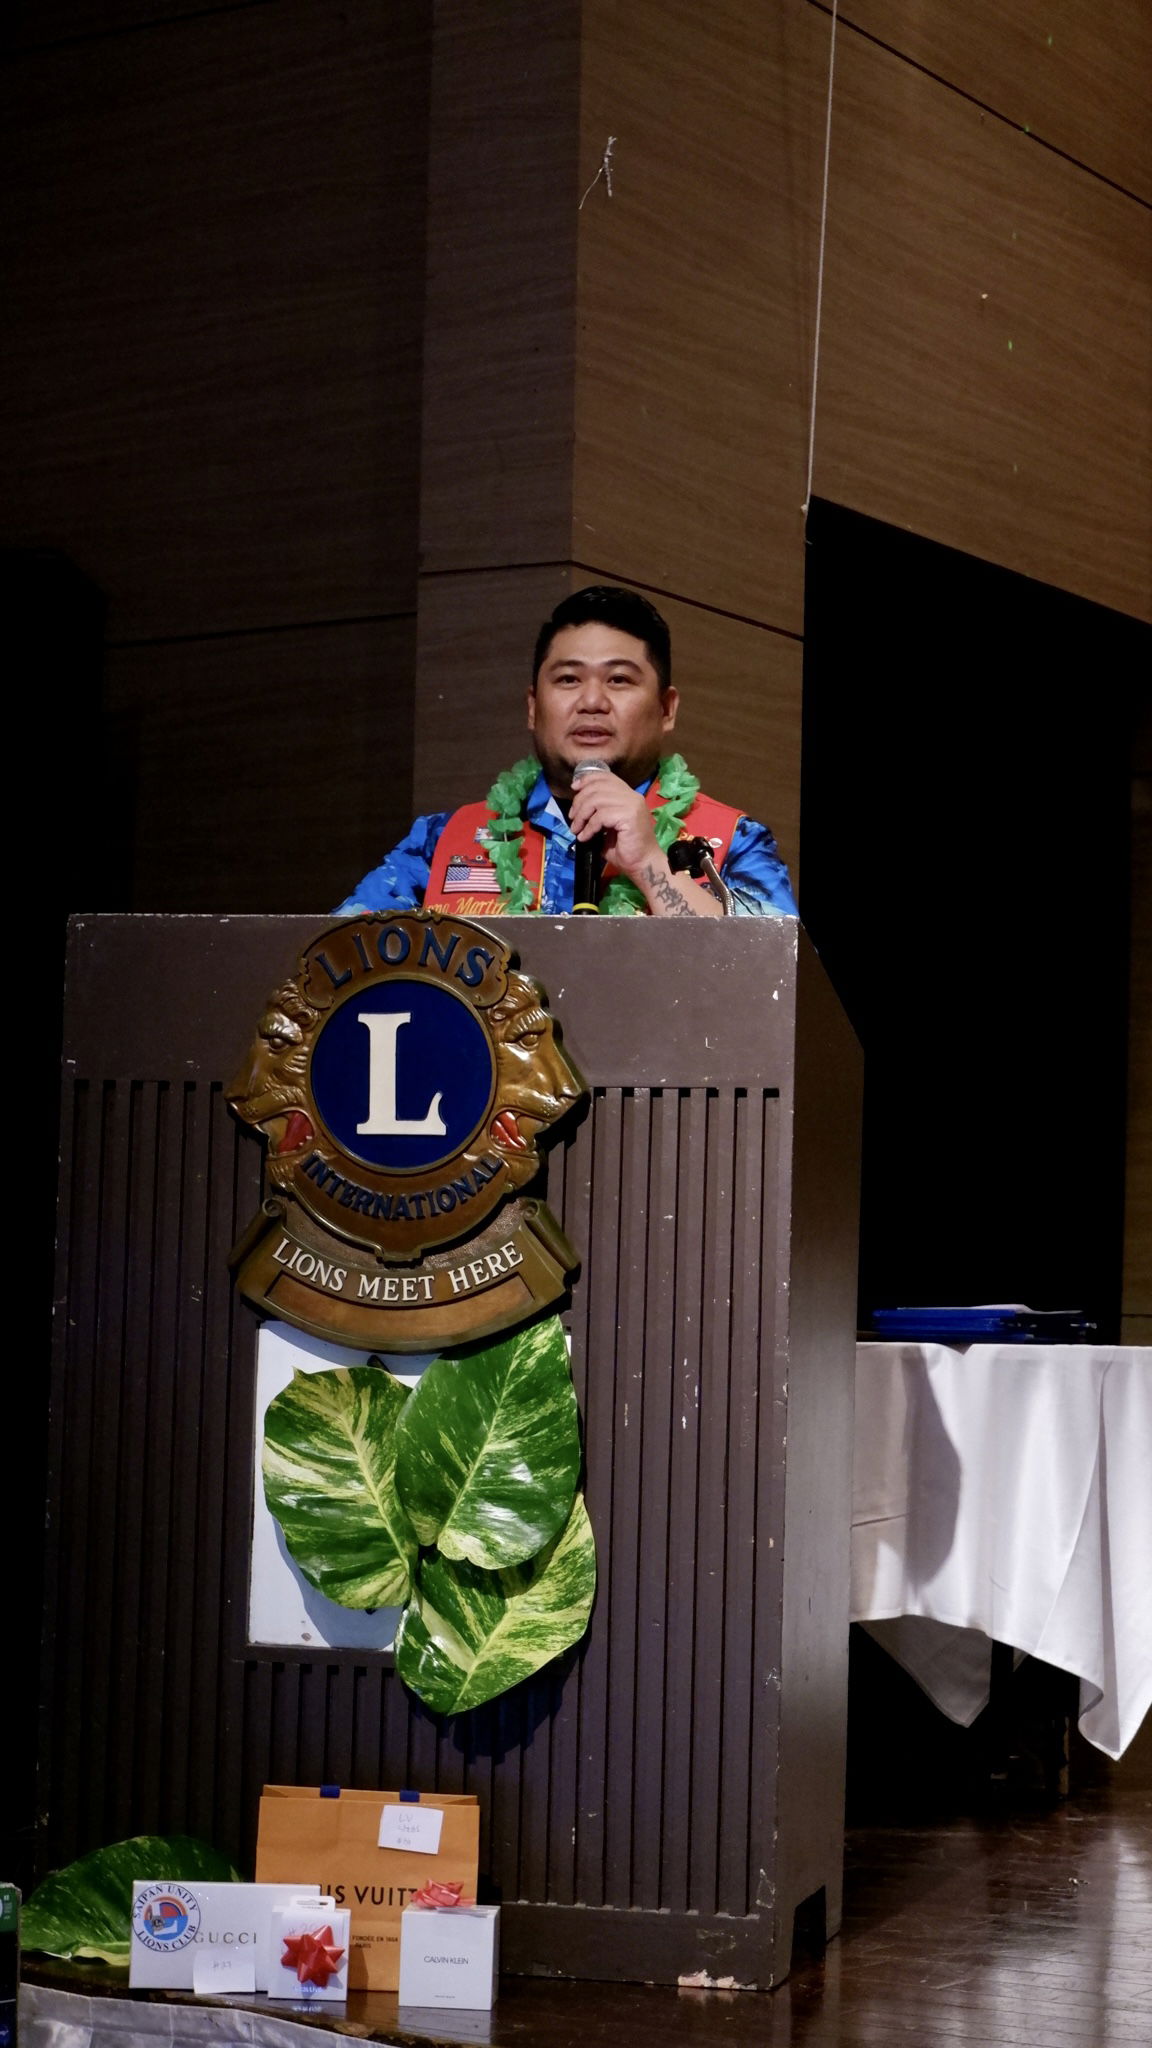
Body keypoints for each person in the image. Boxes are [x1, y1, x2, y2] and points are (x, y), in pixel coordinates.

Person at [337, 586, 798, 919]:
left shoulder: (732, 841)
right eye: (568, 679)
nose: (592, 701)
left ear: (666, 708)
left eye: (619, 679)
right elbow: (325, 967)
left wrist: (650, 863)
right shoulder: (440, 843)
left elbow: (770, 988)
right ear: (534, 708)